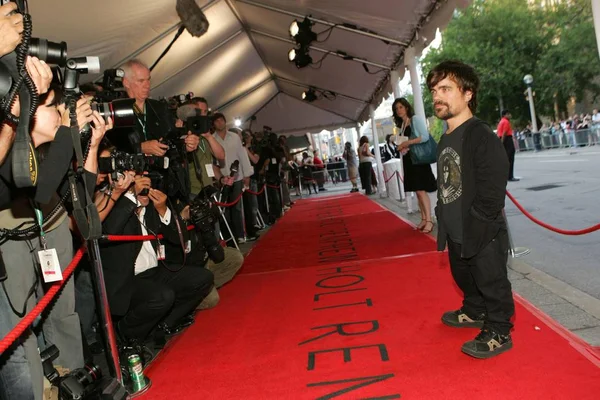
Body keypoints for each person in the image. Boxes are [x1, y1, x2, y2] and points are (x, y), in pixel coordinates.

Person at [427, 60, 514, 359]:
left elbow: (493, 187)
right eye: (435, 90)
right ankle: (474, 311)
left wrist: (479, 224)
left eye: (446, 89)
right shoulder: (445, 139)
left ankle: (499, 331)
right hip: (456, 228)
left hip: (481, 229)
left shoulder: (480, 134)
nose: (437, 96)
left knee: (491, 280)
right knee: (465, 277)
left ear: (467, 94)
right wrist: (443, 217)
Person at [393, 98, 437, 233]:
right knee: (417, 191)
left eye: (401, 107)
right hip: (409, 160)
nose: (399, 110)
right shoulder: (402, 124)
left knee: (421, 190)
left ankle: (429, 220)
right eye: (396, 108)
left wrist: (407, 143)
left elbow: (424, 137)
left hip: (418, 160)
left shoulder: (415, 119)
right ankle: (424, 218)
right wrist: (401, 146)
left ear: (406, 107)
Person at [497, 110, 519, 182]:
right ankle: (510, 176)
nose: (510, 115)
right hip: (507, 140)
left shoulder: (501, 122)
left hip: (503, 139)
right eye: (508, 114)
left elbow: (499, 133)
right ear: (504, 115)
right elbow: (504, 133)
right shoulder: (506, 122)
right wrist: (502, 142)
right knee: (510, 158)